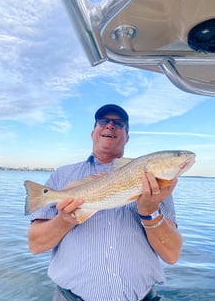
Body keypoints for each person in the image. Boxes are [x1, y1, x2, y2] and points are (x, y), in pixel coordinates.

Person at [27, 104, 182, 301]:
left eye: (118, 123)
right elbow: (35, 245)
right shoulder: (62, 176)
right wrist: (64, 220)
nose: (110, 125)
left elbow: (171, 255)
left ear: (127, 137)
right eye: (103, 121)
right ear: (93, 132)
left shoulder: (158, 186)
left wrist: (150, 211)